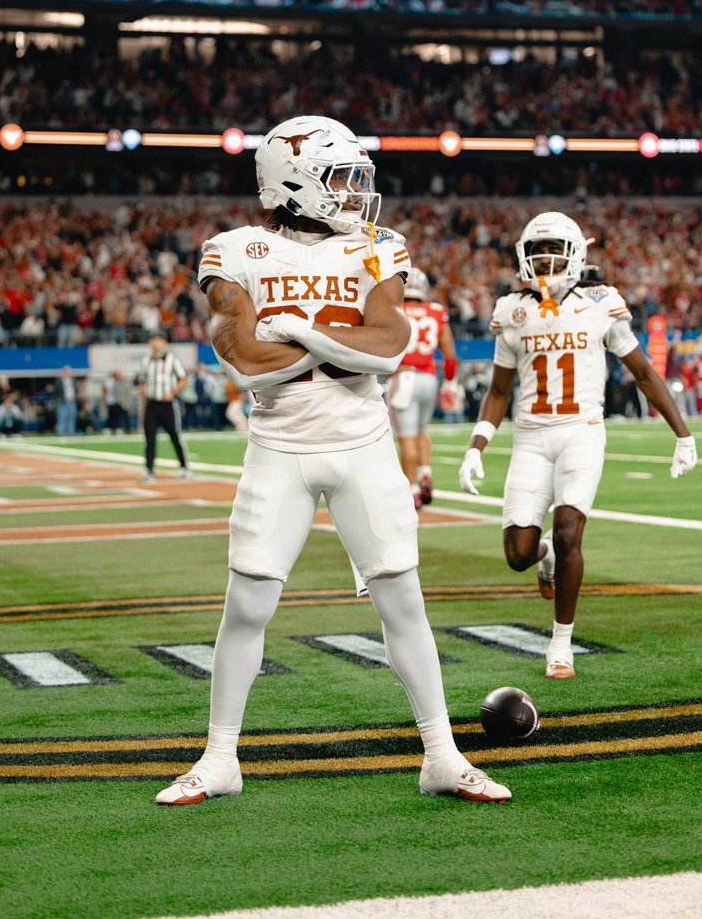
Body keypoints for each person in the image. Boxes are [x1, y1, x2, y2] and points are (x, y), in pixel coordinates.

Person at [155, 115, 510, 808]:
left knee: (403, 600)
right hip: (278, 449)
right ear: (294, 182)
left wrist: (299, 330)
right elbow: (243, 357)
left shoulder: (378, 246)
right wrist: (334, 337)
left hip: (364, 445)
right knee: (247, 605)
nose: (356, 193)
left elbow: (388, 344)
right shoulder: (235, 250)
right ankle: (220, 757)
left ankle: (441, 755)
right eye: (342, 178)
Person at [458, 211, 697, 680]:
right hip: (530, 436)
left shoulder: (600, 303)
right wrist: (475, 446)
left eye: (554, 252)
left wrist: (682, 434)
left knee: (569, 531)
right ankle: (543, 558)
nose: (545, 262)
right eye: (536, 252)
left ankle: (560, 643)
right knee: (518, 554)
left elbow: (644, 373)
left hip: (581, 431)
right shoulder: (512, 311)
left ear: (575, 256)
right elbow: (499, 390)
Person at [387, 267, 456, 510]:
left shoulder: (396, 310)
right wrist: (449, 382)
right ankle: (425, 474)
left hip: (404, 377)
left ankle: (412, 490)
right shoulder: (436, 311)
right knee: (421, 431)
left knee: (405, 437)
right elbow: (449, 355)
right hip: (429, 378)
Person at [138, 332, 190, 483]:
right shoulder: (146, 361)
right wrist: (143, 408)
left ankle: (184, 467)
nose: (156, 342)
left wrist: (173, 392)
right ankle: (149, 471)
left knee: (175, 436)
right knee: (149, 439)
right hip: (152, 404)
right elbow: (142, 385)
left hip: (167, 405)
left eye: (159, 339)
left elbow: (184, 379)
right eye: (153, 339)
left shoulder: (172, 359)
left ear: (164, 342)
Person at [53, 366, 78, 437]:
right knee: (62, 418)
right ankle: (61, 434)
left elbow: (75, 390)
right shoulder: (59, 381)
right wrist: (59, 399)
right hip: (62, 402)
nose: (67, 373)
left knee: (71, 418)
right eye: (66, 371)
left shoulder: (73, 380)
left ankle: (71, 433)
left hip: (72, 402)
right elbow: (56, 392)